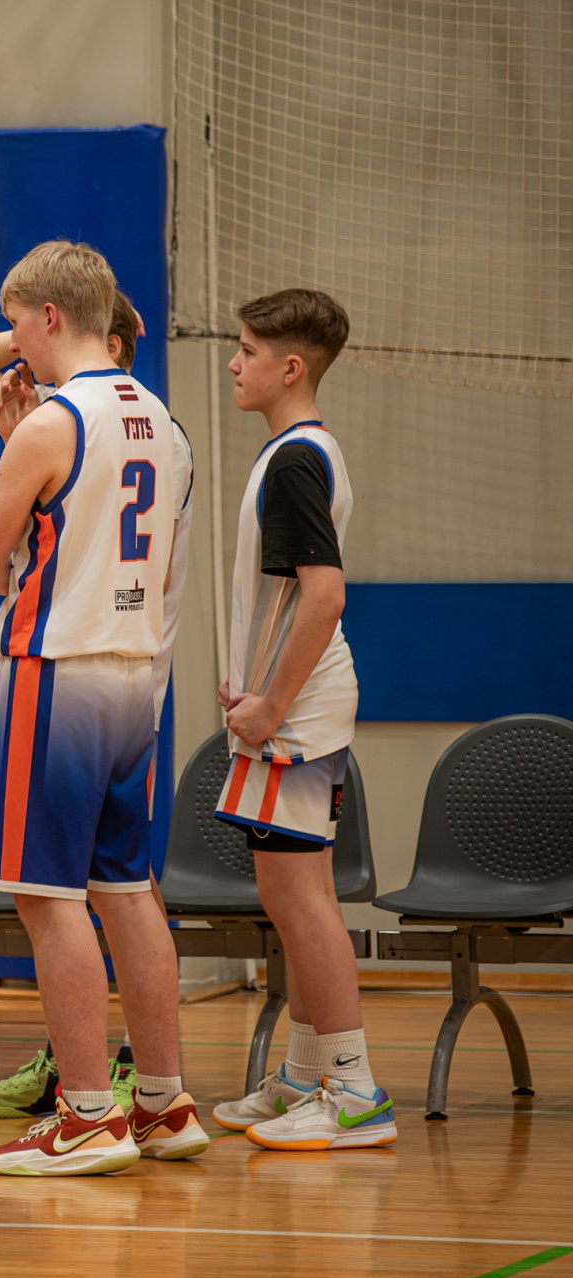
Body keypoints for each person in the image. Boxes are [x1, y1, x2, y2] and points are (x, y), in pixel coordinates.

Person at [0, 240, 210, 1176]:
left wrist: (16, 458)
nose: (13, 341)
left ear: (49, 317)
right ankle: (163, 1102)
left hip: (55, 670)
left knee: (48, 896)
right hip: (138, 675)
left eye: (15, 321)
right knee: (125, 888)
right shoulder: (166, 424)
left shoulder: (50, 425)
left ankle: (85, 1116)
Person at [207, 290, 393, 1151]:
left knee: (300, 900)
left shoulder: (293, 461)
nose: (233, 362)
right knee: (298, 899)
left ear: (291, 367)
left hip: (296, 717)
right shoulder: (302, 451)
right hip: (291, 709)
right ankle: (303, 1074)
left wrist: (270, 705)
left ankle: (352, 1091)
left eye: (247, 350)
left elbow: (325, 596)